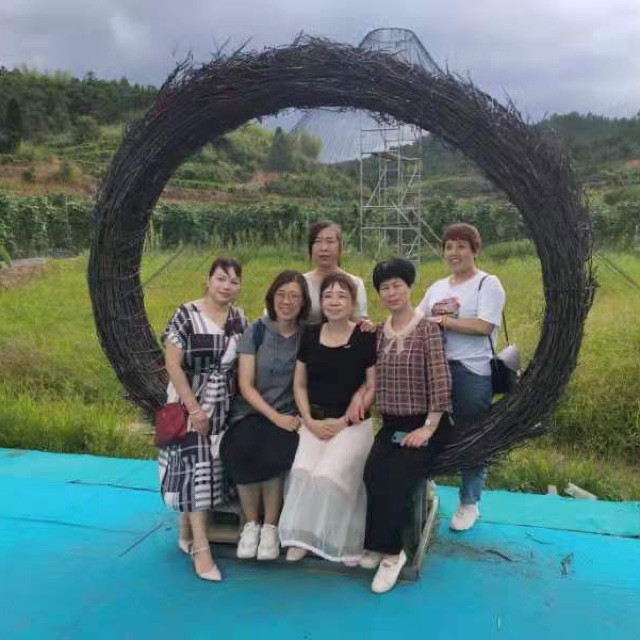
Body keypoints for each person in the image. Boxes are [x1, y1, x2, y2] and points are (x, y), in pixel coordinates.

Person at [360, 258, 452, 594]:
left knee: (397, 477)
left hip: (427, 423)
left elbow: (440, 380)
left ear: (410, 287)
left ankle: (393, 554)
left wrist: (428, 427)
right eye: (384, 287)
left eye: (397, 285)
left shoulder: (427, 329)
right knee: (372, 472)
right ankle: (376, 543)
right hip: (392, 424)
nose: (391, 292)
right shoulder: (378, 333)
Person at [158, 256, 247, 582]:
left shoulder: (239, 318)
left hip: (223, 405)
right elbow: (172, 364)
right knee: (196, 469)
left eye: (234, 281)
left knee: (210, 470)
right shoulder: (186, 314)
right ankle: (201, 548)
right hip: (188, 404)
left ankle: (186, 528)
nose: (227, 286)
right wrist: (194, 409)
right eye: (221, 278)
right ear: (208, 280)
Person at [278, 272, 376, 564]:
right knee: (302, 471)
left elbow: (373, 385)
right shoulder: (310, 335)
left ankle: (344, 540)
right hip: (315, 422)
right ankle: (303, 537)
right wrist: (309, 421)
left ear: (353, 303)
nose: (334, 301)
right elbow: (299, 384)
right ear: (320, 302)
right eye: (328, 296)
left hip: (353, 424)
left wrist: (345, 421)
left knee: (329, 475)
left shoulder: (365, 336)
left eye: (342, 296)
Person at [418, 223, 506, 532]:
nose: (454, 253)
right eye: (449, 247)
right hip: (435, 370)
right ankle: (425, 483)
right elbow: (417, 318)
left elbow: (484, 326)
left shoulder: (488, 284)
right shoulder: (437, 287)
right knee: (429, 429)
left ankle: (470, 502)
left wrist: (443, 321)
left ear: (474, 250)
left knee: (471, 434)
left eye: (461, 246)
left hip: (472, 371)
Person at [221, 271, 311, 561]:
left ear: (303, 302)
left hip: (288, 414)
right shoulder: (256, 331)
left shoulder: (308, 335)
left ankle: (270, 526)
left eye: (294, 296)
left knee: (274, 451)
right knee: (240, 447)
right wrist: (274, 417)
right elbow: (245, 385)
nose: (287, 301)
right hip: (251, 411)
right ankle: (251, 525)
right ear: (272, 297)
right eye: (281, 294)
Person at [304, 221, 368, 323]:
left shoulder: (355, 283)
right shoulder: (301, 283)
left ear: (340, 247)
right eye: (318, 241)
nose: (324, 248)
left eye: (330, 241)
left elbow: (360, 324)